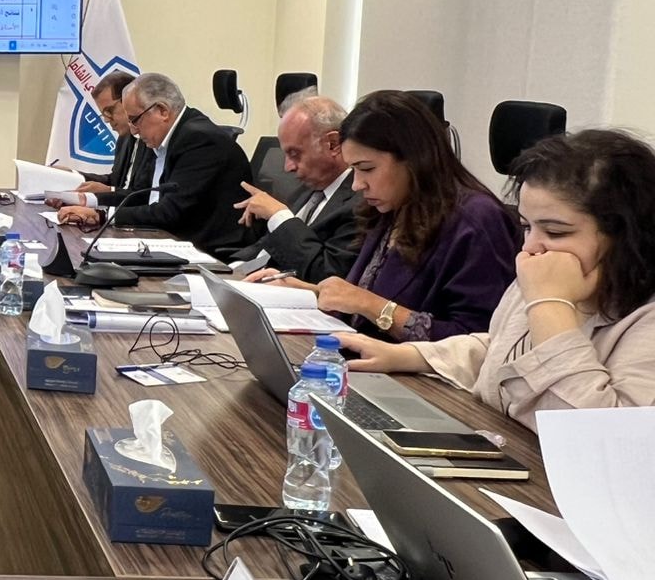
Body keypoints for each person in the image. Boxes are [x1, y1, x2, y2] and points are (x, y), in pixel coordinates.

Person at [343, 130, 655, 428]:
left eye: (555, 232)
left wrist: (551, 307)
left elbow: (602, 438)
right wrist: (409, 356)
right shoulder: (542, 269)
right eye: (527, 227)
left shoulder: (644, 319)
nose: (529, 248)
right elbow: (500, 349)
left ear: (626, 235)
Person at [276, 90, 516, 340]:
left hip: (403, 366)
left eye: (367, 168)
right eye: (354, 169)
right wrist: (310, 293)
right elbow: (358, 302)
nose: (357, 184)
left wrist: (371, 305)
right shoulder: (393, 206)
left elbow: (477, 341)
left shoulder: (477, 220)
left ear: (414, 159)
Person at [55, 72, 253, 257]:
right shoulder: (169, 137)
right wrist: (86, 201)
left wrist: (101, 215)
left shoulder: (199, 140)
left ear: (162, 111)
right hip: (170, 238)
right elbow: (142, 196)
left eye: (135, 120)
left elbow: (168, 212)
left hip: (206, 249)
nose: (133, 131)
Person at [230, 95, 362, 283]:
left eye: (295, 154)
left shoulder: (361, 203)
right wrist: (231, 269)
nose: (288, 167)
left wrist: (279, 216)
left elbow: (326, 276)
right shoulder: (308, 189)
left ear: (333, 144)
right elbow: (267, 249)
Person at [68, 70, 151, 200]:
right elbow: (115, 180)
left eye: (110, 111)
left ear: (129, 100)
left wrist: (109, 191)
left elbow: (147, 195)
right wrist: (71, 175)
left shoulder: (153, 139)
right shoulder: (124, 139)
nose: (107, 120)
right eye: (104, 114)